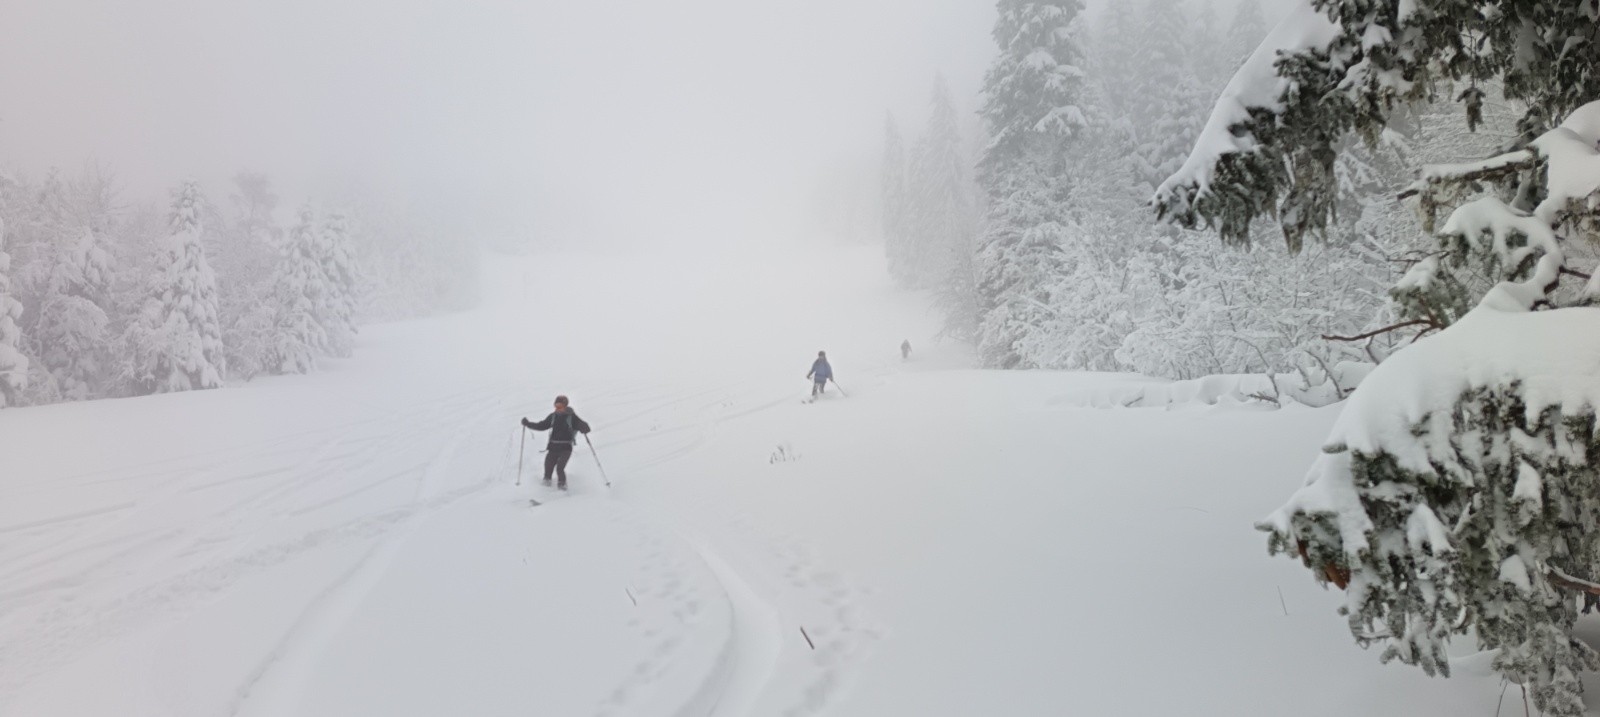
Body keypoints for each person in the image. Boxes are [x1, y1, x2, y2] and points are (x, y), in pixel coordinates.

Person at [521, 395, 591, 490]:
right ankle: (545, 489)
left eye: (560, 406)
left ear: (565, 406)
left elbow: (586, 427)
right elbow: (542, 426)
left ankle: (562, 488)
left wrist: (584, 427)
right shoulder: (553, 416)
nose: (557, 408)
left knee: (560, 468)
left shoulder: (572, 417)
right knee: (548, 466)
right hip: (553, 447)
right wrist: (528, 424)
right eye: (556, 405)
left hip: (566, 448)